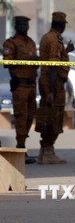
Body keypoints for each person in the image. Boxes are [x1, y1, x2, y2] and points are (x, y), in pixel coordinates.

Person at [37, 12, 74, 165]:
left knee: (51, 115)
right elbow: (53, 66)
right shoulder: (53, 39)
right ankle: (47, 151)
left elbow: (56, 59)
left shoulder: (52, 38)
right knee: (52, 116)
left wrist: (66, 51)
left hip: (53, 82)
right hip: (52, 83)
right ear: (62, 25)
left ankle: (45, 152)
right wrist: (51, 91)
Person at [2, 16, 39, 164]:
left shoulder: (30, 42)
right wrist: (30, 59)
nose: (24, 26)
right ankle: (20, 148)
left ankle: (22, 145)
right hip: (20, 85)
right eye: (21, 24)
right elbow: (7, 62)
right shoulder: (11, 43)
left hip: (31, 84)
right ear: (16, 26)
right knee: (21, 116)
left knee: (30, 117)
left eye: (26, 24)